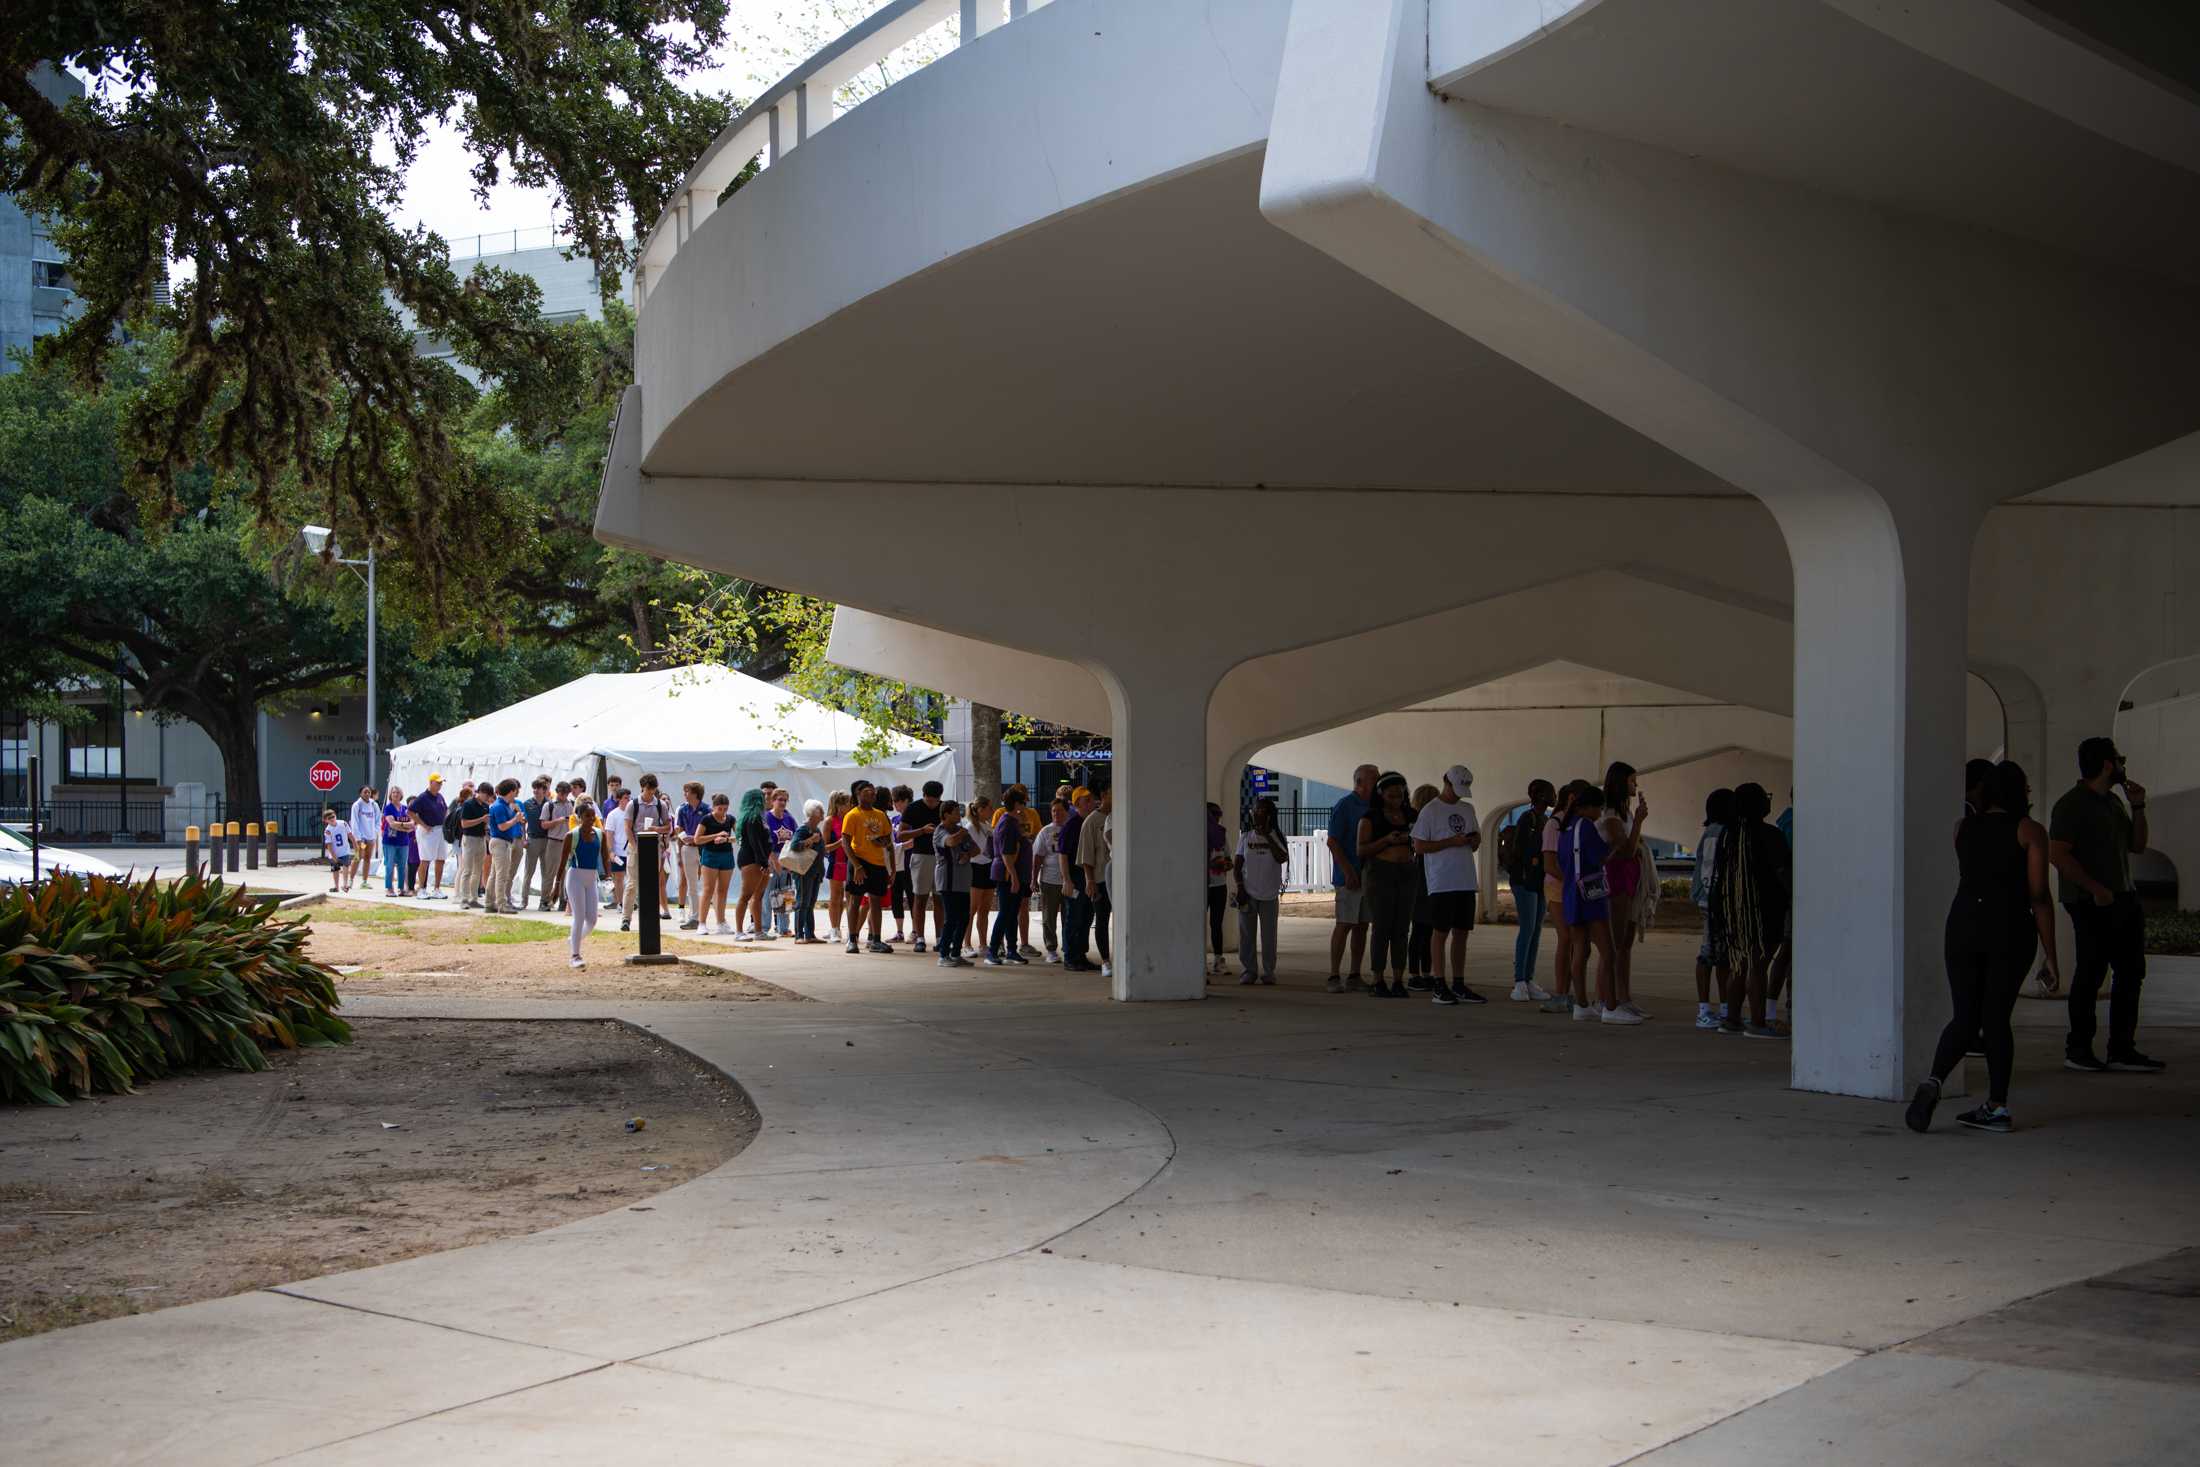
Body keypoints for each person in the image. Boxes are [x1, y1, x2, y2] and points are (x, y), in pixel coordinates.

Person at [1908, 760, 2061, 1134]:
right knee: (1995, 1018)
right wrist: (2051, 955)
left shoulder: (1962, 829)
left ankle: (1933, 1081)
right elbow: (2039, 896)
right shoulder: (2029, 831)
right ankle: (1996, 1106)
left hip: (1962, 924)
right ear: (2016, 791)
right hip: (2009, 927)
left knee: (1964, 1016)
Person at [2049, 737, 2164, 1074]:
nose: (2124, 763)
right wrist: (2095, 889)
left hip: (2124, 897)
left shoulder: (2113, 802)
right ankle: (2079, 1048)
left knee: (2131, 972)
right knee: (2091, 973)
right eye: (2120, 758)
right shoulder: (2071, 805)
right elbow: (2058, 853)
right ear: (2108, 764)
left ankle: (2122, 1049)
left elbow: (2138, 845)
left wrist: (2138, 806)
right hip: (2090, 902)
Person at [1712, 783, 1790, 1037]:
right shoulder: (1770, 835)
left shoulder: (1729, 834)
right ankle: (1757, 1022)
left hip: (1734, 910)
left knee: (1741, 963)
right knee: (1758, 964)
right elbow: (1782, 872)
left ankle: (1731, 1019)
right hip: (1763, 910)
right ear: (1759, 805)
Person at [1409, 765, 1487, 1006]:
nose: (1458, 794)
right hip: (1442, 881)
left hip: (1465, 879)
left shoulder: (1467, 808)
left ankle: (1459, 982)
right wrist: (1450, 842)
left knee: (1462, 932)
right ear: (1446, 782)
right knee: (1440, 932)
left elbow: (1475, 841)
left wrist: (1473, 840)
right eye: (1456, 788)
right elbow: (1419, 846)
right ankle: (1439, 982)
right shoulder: (1430, 811)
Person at [1557, 783, 1630, 1023]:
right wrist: (1616, 846)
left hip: (1570, 893)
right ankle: (1610, 1007)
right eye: (1598, 808)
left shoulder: (1565, 828)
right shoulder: (1586, 827)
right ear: (1587, 807)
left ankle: (1581, 1004)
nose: (1600, 813)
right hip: (1590, 894)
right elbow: (1599, 856)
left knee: (1580, 950)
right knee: (1608, 951)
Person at [1597, 762, 1652, 1019]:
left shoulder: (1625, 813)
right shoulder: (1610, 815)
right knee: (1615, 941)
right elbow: (1627, 849)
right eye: (1632, 781)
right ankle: (1606, 997)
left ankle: (1624, 996)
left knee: (1626, 941)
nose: (1635, 786)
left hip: (1630, 877)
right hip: (1617, 877)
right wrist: (1640, 821)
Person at [1500, 780, 1557, 1002]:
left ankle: (1528, 978)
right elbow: (1523, 853)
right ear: (1540, 795)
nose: (1553, 796)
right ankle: (1519, 981)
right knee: (1527, 929)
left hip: (1538, 881)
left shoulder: (1544, 819)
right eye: (1550, 793)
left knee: (1536, 931)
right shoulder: (1528, 819)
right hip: (1525, 882)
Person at [1325, 764, 1378, 993]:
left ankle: (1355, 974)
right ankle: (1334, 975)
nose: (1378, 783)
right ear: (1360, 782)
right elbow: (1333, 841)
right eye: (1374, 779)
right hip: (1350, 876)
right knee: (1345, 923)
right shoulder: (1345, 806)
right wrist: (1347, 871)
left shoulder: (1376, 806)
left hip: (1370, 875)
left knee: (1362, 925)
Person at [1690, 789, 1736, 1031]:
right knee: (1710, 955)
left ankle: (1719, 1009)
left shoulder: (1711, 832)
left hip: (1710, 900)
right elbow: (1711, 871)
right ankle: (1706, 1010)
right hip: (1716, 902)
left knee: (1720, 956)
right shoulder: (1720, 833)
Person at [1540, 783, 1585, 1013]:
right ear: (1571, 798)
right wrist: (1573, 879)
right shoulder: (1554, 824)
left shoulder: (1579, 823)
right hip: (1559, 888)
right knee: (1566, 938)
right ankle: (1561, 993)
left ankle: (1573, 993)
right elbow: (1549, 864)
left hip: (1573, 887)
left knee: (1577, 940)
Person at [838, 780, 896, 955]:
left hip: (878, 863)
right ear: (858, 794)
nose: (870, 794)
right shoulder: (852, 815)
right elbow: (845, 842)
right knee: (854, 900)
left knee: (876, 901)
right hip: (859, 861)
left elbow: (888, 841)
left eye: (872, 792)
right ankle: (852, 939)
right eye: (866, 792)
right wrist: (856, 865)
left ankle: (876, 940)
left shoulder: (880, 815)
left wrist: (891, 868)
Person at [1235, 796, 1287, 984]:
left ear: (1270, 815)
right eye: (1255, 810)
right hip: (1248, 893)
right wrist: (1240, 887)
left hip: (1269, 894)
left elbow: (1282, 857)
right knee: (1246, 935)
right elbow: (1237, 865)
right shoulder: (1245, 837)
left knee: (1268, 936)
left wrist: (1267, 836)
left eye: (1262, 811)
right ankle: (1249, 971)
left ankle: (1268, 971)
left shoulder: (1277, 836)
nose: (1257, 814)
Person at [622, 774, 674, 928]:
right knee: (632, 883)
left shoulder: (660, 805)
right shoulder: (633, 804)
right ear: (643, 787)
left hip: (653, 846)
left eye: (653, 790)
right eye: (649, 790)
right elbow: (627, 827)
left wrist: (655, 829)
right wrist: (634, 846)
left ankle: (650, 918)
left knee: (652, 883)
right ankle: (626, 918)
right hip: (636, 846)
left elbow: (667, 827)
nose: (651, 793)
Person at [987, 788, 1032, 966]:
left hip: (1015, 873)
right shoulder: (1007, 824)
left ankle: (1011, 950)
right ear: (1016, 804)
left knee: (1012, 912)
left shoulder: (1012, 822)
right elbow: (1007, 853)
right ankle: (992, 950)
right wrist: (1013, 876)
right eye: (1022, 802)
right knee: (1005, 912)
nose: (1024, 806)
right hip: (1008, 874)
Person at [900, 780, 944, 955]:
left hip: (941, 857)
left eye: (935, 800)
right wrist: (921, 831)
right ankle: (919, 938)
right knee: (920, 898)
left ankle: (941, 938)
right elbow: (901, 835)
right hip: (920, 855)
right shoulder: (913, 808)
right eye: (929, 800)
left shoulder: (944, 807)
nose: (933, 804)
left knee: (940, 899)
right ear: (924, 795)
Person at [1078, 788, 1115, 979]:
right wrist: (1089, 880)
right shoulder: (1092, 822)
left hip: (1120, 879)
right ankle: (1106, 961)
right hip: (1100, 879)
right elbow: (1086, 855)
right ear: (1103, 797)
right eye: (1112, 794)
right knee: (1102, 919)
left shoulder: (1121, 816)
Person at [934, 799, 975, 967]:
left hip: (963, 881)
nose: (960, 815)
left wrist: (968, 854)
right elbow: (950, 842)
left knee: (964, 918)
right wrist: (962, 833)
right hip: (948, 881)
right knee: (951, 918)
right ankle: (943, 954)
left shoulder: (961, 830)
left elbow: (977, 849)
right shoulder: (940, 831)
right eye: (956, 812)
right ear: (946, 814)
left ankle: (956, 953)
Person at [1059, 788, 1097, 972]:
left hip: (1088, 878)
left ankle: (1081, 955)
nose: (1092, 803)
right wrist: (1066, 879)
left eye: (1091, 799)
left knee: (1086, 917)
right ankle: (1070, 956)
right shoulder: (1072, 825)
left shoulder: (1089, 822)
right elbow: (1063, 854)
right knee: (1073, 917)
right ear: (1077, 804)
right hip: (1075, 878)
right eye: (1087, 800)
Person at [1406, 783, 1439, 990]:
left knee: (1421, 928)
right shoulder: (1423, 823)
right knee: (1425, 929)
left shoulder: (1412, 822)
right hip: (1426, 877)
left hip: (1419, 878)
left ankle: (1417, 973)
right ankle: (1421, 973)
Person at [565, 800, 604, 967]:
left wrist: (608, 876)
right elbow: (562, 863)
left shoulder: (600, 834)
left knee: (592, 920)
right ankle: (575, 956)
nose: (591, 819)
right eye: (587, 816)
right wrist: (557, 884)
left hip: (591, 877)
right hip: (575, 877)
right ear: (579, 817)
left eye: (593, 816)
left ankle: (573, 939)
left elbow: (606, 857)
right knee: (579, 917)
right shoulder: (572, 835)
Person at [1030, 798, 1069, 963]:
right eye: (1054, 811)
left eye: (1059, 811)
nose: (1056, 814)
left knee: (1070, 916)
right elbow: (1037, 858)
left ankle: (1069, 948)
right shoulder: (1045, 832)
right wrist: (1034, 879)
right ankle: (1051, 949)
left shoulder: (1072, 829)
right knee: (1049, 917)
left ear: (1067, 812)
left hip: (1069, 881)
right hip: (1049, 880)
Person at [694, 792, 737, 935]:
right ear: (714, 807)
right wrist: (715, 836)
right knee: (708, 889)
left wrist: (727, 839)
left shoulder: (730, 819)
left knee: (723, 891)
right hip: (710, 856)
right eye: (720, 809)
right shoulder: (706, 819)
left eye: (725, 809)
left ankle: (721, 922)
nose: (722, 812)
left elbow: (738, 837)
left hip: (726, 855)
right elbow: (697, 839)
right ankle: (701, 923)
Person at [788, 799, 829, 942]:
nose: (823, 813)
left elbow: (822, 850)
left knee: (810, 903)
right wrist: (811, 840)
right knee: (802, 903)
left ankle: (810, 935)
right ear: (812, 813)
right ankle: (799, 935)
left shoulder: (816, 829)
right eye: (820, 810)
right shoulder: (803, 829)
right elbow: (794, 846)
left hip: (815, 871)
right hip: (803, 871)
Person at [733, 788, 772, 939]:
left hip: (760, 859)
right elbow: (755, 842)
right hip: (752, 860)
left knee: (758, 896)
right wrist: (763, 862)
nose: (766, 800)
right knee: (745, 896)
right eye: (763, 797)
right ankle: (738, 931)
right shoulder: (753, 818)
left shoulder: (758, 817)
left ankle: (758, 931)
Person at [762, 786, 799, 938]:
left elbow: (796, 839)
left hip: (787, 857)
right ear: (773, 800)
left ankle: (784, 928)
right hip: (771, 857)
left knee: (787, 894)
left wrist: (792, 862)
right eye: (779, 799)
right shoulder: (766, 817)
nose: (782, 803)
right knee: (767, 895)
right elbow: (765, 841)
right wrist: (773, 861)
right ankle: (764, 927)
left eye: (785, 800)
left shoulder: (789, 818)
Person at [967, 793, 998, 959]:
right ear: (980, 810)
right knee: (971, 910)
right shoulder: (970, 827)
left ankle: (983, 943)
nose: (992, 810)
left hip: (988, 867)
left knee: (985, 909)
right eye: (989, 808)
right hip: (975, 868)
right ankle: (966, 944)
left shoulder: (987, 825)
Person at [1204, 802, 1234, 978]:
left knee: (1217, 923)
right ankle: (1199, 960)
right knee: (1199, 924)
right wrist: (1211, 864)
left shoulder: (1221, 835)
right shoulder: (1200, 835)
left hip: (1219, 885)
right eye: (1214, 815)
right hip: (1203, 885)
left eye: (1219, 815)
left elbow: (1229, 860)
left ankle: (1218, 959)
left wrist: (1225, 865)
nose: (1218, 818)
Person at [674, 781, 708, 929]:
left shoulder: (707, 810)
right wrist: (683, 839)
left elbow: (710, 830)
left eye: (687, 791)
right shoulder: (682, 809)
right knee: (692, 884)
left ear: (695, 793)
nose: (684, 794)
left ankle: (705, 916)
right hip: (688, 848)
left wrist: (696, 837)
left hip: (704, 848)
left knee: (707, 884)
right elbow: (678, 830)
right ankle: (694, 916)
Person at [409, 775, 450, 899]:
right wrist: (423, 824)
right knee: (425, 859)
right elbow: (410, 811)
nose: (440, 785)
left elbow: (446, 810)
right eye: (437, 783)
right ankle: (421, 888)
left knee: (441, 859)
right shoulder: (423, 797)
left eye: (441, 783)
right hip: (428, 831)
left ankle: (436, 889)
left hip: (439, 829)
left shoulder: (440, 796)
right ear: (431, 783)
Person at [455, 780, 491, 909]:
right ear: (480, 792)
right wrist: (481, 819)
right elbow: (464, 824)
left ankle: (473, 898)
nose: (487, 798)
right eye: (486, 795)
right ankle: (464, 899)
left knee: (477, 871)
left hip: (481, 838)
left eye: (488, 796)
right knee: (467, 870)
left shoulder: (486, 806)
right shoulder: (468, 804)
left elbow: (485, 824)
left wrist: (486, 828)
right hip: (469, 838)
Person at [887, 785, 915, 944]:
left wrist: (902, 846)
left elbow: (914, 841)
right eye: (893, 801)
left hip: (910, 863)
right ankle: (899, 931)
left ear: (906, 800)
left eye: (897, 801)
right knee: (896, 897)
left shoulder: (914, 819)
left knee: (912, 897)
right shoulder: (894, 820)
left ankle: (916, 930)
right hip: (896, 864)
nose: (895, 804)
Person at [544, 781, 575, 911]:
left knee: (565, 874)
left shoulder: (572, 804)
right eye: (562, 793)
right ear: (557, 792)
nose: (564, 796)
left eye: (566, 794)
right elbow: (544, 824)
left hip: (567, 841)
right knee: (550, 872)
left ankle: (563, 900)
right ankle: (545, 900)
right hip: (553, 841)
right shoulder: (549, 805)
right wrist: (559, 821)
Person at [380, 785, 416, 896]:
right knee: (390, 865)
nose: (395, 794)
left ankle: (401, 888)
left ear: (401, 795)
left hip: (403, 842)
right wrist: (405, 827)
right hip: (390, 841)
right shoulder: (388, 808)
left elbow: (413, 824)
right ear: (390, 795)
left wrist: (400, 825)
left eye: (397, 792)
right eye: (393, 792)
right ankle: (389, 888)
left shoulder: (405, 809)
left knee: (402, 866)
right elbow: (391, 824)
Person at [603, 788, 631, 916]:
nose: (628, 800)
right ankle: (620, 903)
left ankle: (629, 902)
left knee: (632, 878)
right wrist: (611, 851)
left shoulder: (632, 813)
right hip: (618, 851)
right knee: (618, 878)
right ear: (619, 799)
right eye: (625, 798)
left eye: (629, 797)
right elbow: (609, 834)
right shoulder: (613, 814)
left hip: (631, 851)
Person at [349, 785, 381, 890]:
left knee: (367, 858)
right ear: (360, 793)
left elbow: (378, 820)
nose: (367, 794)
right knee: (358, 857)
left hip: (370, 837)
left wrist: (374, 832)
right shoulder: (357, 805)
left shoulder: (374, 804)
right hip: (361, 838)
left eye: (368, 792)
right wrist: (358, 838)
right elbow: (354, 822)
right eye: (365, 792)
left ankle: (365, 881)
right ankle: (350, 880)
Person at [321, 808, 352, 891]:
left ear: (335, 815)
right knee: (335, 869)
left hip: (345, 850)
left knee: (346, 866)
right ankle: (336, 886)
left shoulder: (343, 823)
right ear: (325, 820)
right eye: (329, 818)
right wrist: (334, 856)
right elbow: (329, 845)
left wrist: (356, 846)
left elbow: (350, 835)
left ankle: (345, 885)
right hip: (334, 853)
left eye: (333, 816)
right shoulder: (328, 830)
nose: (332, 819)